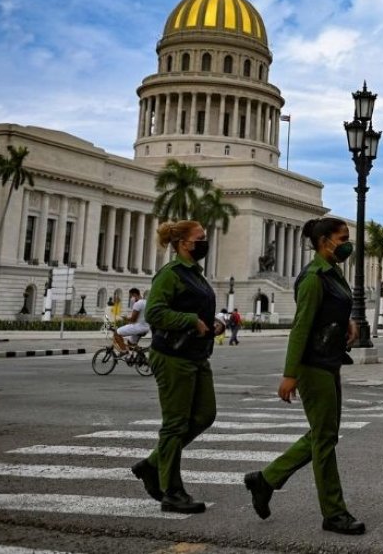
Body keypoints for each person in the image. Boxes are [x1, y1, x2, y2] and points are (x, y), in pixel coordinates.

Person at [243, 217, 365, 535]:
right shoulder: (312, 278)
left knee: (324, 434)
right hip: (313, 366)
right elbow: (301, 327)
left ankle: (266, 480)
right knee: (324, 439)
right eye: (342, 238)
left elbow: (330, 311)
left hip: (330, 361)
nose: (347, 243)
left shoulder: (333, 272)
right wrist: (290, 374)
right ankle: (334, 512)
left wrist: (346, 323)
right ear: (324, 241)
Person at [131, 220, 218, 514]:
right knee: (175, 424)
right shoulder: (170, 274)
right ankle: (172, 491)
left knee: (205, 415)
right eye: (200, 238)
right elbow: (155, 312)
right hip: (172, 356)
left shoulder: (195, 275)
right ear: (183, 243)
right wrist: (190, 321)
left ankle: (153, 464)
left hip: (196, 355)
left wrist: (213, 323)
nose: (205, 242)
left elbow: (196, 309)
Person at [112, 288, 148, 352]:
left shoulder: (138, 304)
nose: (131, 298)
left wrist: (125, 318)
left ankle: (124, 352)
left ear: (134, 294)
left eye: (131, 296)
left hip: (138, 327)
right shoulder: (146, 302)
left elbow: (133, 319)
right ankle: (139, 356)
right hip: (146, 327)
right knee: (130, 343)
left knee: (116, 333)